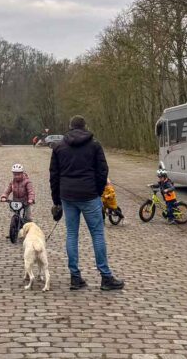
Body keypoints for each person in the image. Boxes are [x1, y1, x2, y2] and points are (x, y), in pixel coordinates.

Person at [49, 115, 124, 291]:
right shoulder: (94, 145)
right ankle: (105, 277)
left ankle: (75, 277)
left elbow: (54, 175)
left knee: (72, 235)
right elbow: (103, 170)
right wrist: (98, 191)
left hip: (68, 195)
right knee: (97, 234)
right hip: (89, 194)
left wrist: (56, 200)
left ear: (69, 126)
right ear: (85, 126)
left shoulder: (59, 146)